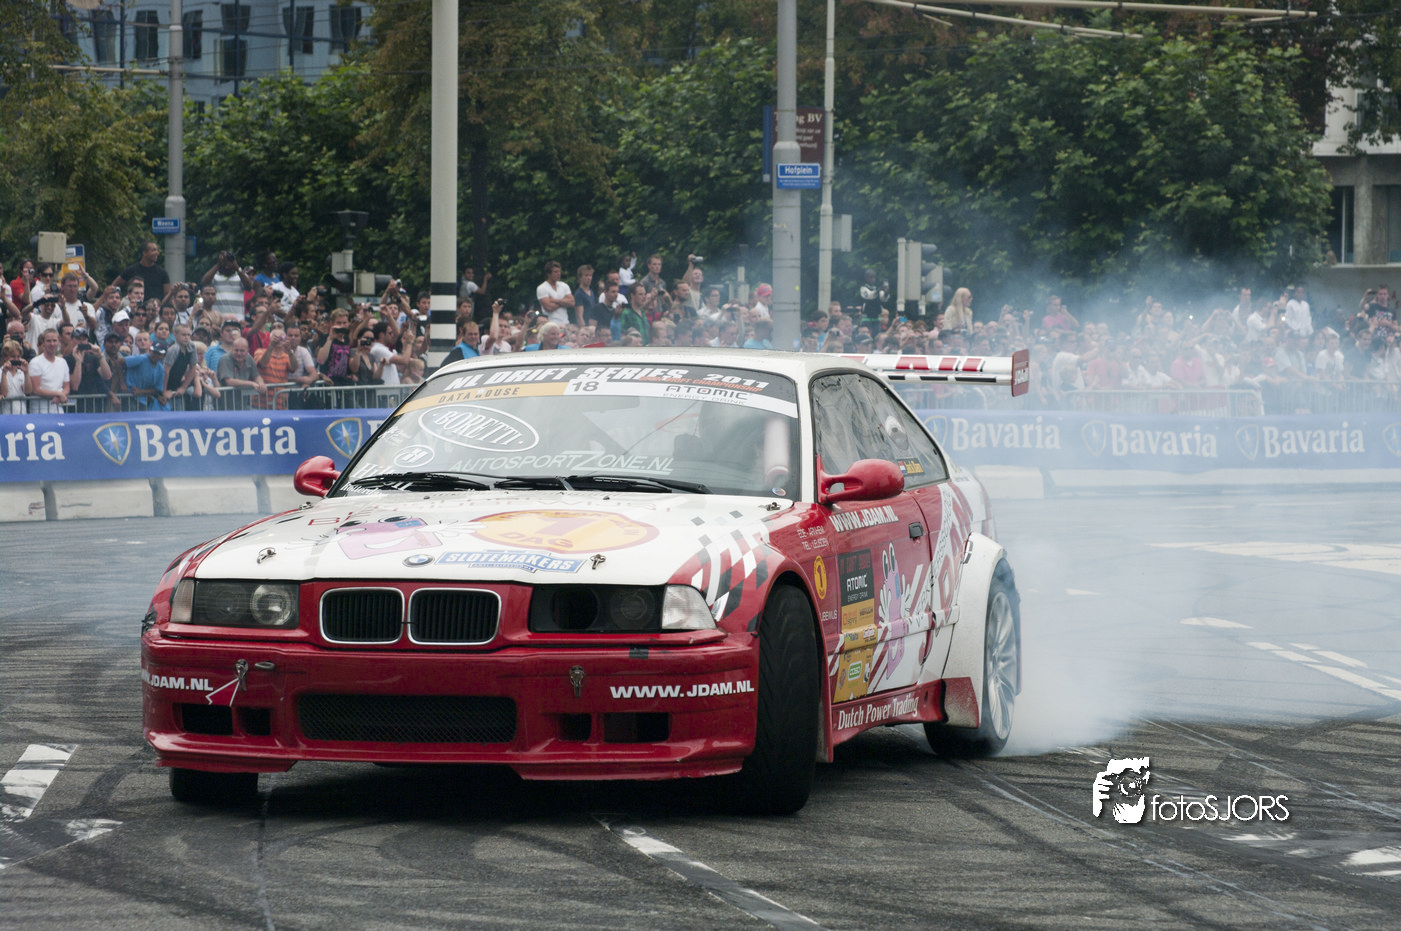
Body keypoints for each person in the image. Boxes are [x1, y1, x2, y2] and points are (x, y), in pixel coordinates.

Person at [123, 333, 172, 411]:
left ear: (163, 356)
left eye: (158, 353)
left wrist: (140, 391)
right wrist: (122, 384)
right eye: (154, 352)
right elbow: (119, 362)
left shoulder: (161, 369)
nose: (155, 355)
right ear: (150, 350)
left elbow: (157, 389)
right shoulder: (141, 358)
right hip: (129, 397)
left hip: (143, 401)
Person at [536, 261, 574, 327]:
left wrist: (555, 300)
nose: (559, 274)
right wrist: (564, 301)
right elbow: (549, 307)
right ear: (548, 274)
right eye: (556, 272)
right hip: (550, 324)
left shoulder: (564, 286)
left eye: (559, 271)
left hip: (565, 323)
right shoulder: (542, 288)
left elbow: (572, 302)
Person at [2, 339, 31, 414]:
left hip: (21, 412)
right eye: (12, 356)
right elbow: (4, 393)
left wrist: (26, 373)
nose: (16, 359)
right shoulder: (0, 372)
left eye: (18, 356)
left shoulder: (21, 373)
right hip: (5, 413)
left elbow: (28, 391)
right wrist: (4, 373)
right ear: (5, 357)